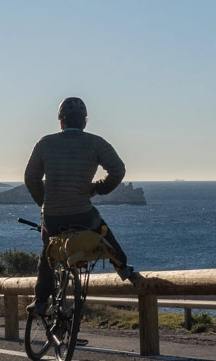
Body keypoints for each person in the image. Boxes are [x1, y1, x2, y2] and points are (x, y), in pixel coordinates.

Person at [25, 97, 137, 316]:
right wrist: (98, 189)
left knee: (47, 251)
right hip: (82, 214)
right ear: (85, 121)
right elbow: (118, 170)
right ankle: (122, 268)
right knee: (102, 230)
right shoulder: (96, 143)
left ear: (61, 122)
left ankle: (40, 301)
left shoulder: (45, 143)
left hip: (53, 216)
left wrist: (44, 202)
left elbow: (31, 177)